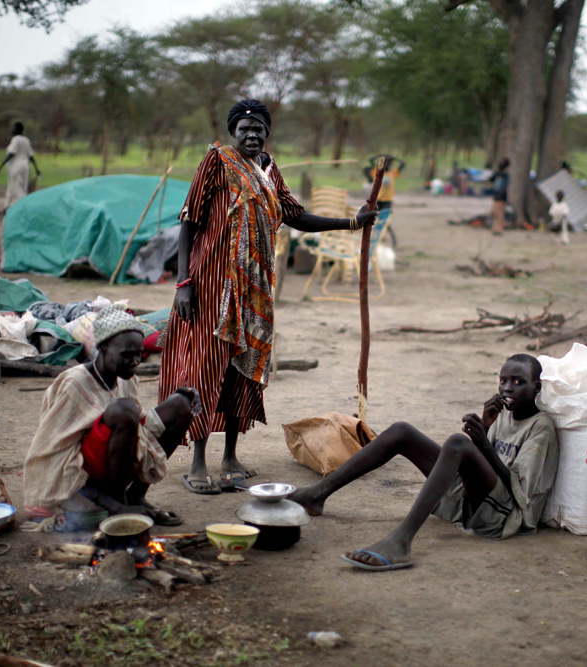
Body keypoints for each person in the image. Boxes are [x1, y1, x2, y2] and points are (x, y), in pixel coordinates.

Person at [161, 99, 378, 496]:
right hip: (212, 284)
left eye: (258, 128)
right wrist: (183, 283)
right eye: (244, 128)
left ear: (267, 132)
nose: (251, 134)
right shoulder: (217, 162)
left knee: (245, 367)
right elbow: (189, 221)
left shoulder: (269, 170)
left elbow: (296, 216)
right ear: (233, 132)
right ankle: (197, 462)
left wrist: (351, 222)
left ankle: (230, 457)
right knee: (207, 367)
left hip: (255, 289)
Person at [288, 354, 559, 571]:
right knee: (401, 431)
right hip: (475, 503)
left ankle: (401, 541)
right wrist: (485, 429)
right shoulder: (502, 414)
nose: (508, 388)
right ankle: (317, 494)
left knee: (456, 442)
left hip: (504, 517)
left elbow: (518, 492)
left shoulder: (541, 427)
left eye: (519, 382)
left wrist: (483, 444)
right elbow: (481, 468)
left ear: (537, 387)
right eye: (503, 380)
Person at [23, 304, 199, 529]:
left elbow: (139, 424)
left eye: (139, 355)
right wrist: (114, 506)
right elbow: (54, 455)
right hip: (81, 478)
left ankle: (136, 497)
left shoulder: (126, 378)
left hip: (112, 463)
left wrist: (180, 399)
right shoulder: (74, 383)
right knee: (124, 410)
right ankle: (120, 505)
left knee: (181, 405)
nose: (136, 362)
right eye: (127, 355)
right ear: (103, 348)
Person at [0, 122, 40, 210]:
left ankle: (24, 205)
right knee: (21, 187)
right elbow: (31, 156)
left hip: (16, 166)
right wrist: (36, 169)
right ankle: (7, 205)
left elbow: (11, 153)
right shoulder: (26, 140)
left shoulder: (15, 139)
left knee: (15, 186)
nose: (11, 129)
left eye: (13, 128)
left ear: (16, 129)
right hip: (25, 166)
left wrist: (0, 166)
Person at [365, 154, 405, 245]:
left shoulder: (393, 173)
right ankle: (373, 239)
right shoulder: (376, 171)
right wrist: (379, 156)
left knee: (385, 221)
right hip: (377, 200)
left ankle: (391, 240)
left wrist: (394, 158)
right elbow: (370, 159)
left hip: (387, 201)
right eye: (385, 163)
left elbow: (403, 164)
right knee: (373, 220)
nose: (387, 165)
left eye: (389, 164)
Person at [490, 157, 510, 235]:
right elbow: (491, 179)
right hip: (496, 195)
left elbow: (505, 185)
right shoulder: (497, 173)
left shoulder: (505, 175)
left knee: (499, 212)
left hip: (501, 195)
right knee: (494, 212)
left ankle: (499, 229)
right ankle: (497, 227)